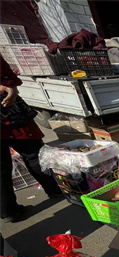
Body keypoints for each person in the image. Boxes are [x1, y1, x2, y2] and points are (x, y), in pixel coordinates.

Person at [0, 56, 62, 222]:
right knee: (33, 152)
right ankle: (54, 190)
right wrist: (9, 87)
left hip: (6, 105)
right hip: (7, 110)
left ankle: (8, 211)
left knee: (1, 167)